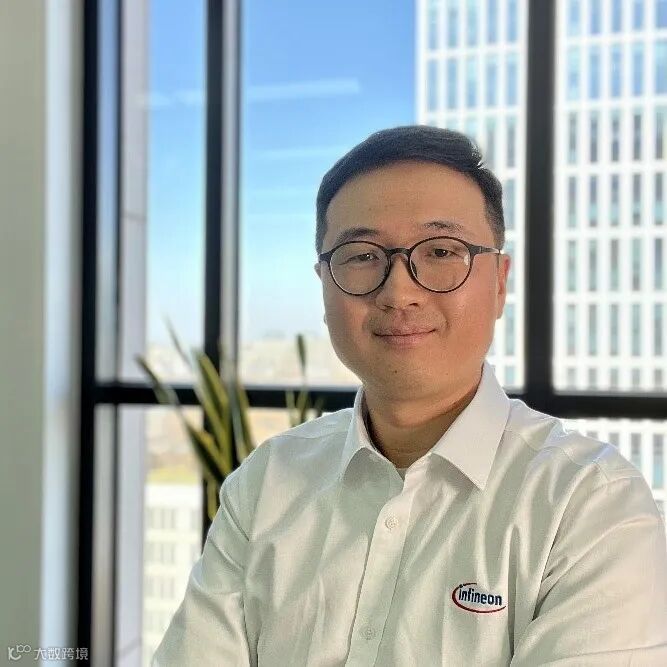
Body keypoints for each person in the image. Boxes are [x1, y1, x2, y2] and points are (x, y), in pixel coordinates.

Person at [153, 126, 667, 666]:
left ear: (499, 282)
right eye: (361, 255)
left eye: (442, 250)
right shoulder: (266, 482)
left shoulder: (590, 503)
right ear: (323, 282)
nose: (399, 292)